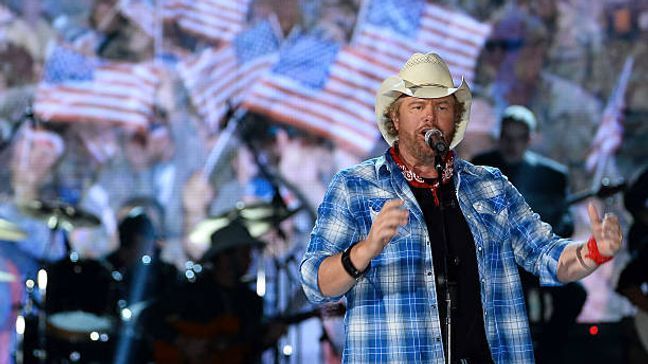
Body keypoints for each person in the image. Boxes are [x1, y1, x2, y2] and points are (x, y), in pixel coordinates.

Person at [299, 52, 623, 363]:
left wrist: (594, 251)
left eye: (442, 106)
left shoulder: (490, 185)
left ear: (455, 119)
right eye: (417, 106)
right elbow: (316, 283)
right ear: (395, 118)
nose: (430, 116)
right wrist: (364, 250)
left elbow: (546, 255)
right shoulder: (355, 186)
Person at [472, 105, 586, 362]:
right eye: (508, 138)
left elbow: (564, 220)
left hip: (537, 259)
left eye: (520, 138)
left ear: (530, 139)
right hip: (497, 262)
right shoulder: (481, 169)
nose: (513, 145)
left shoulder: (552, 175)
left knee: (575, 294)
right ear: (499, 137)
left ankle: (546, 354)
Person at [152, 219, 285, 364]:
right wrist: (183, 342)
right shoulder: (192, 292)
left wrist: (267, 340)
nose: (250, 259)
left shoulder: (250, 301)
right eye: (244, 253)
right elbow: (150, 319)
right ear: (225, 257)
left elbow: (245, 351)